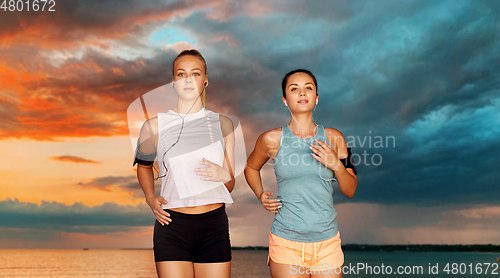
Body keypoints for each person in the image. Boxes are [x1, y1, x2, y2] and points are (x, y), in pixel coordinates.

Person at [244, 69, 358, 277]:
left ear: (316, 98)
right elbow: (251, 167)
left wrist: (337, 165)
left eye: (308, 88)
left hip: (328, 243)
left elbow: (350, 190)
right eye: (294, 89)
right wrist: (260, 194)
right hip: (286, 242)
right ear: (285, 100)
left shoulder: (335, 138)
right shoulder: (270, 139)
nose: (302, 93)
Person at [133, 49, 236, 278]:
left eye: (195, 73)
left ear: (205, 80)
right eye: (181, 74)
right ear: (173, 82)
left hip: (213, 225)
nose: (188, 79)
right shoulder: (154, 126)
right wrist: (150, 197)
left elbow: (229, 185)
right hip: (172, 224)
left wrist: (225, 176)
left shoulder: (224, 125)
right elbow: (143, 166)